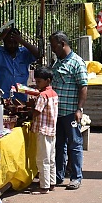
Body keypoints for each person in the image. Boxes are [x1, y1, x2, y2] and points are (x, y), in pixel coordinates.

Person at [49, 31, 88, 190]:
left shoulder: (77, 62)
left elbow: (83, 87)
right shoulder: (58, 62)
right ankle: (58, 175)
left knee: (74, 144)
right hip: (56, 113)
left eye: (53, 46)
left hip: (71, 112)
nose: (52, 49)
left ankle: (76, 177)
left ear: (62, 44)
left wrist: (79, 109)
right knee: (59, 145)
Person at [0, 26, 42, 101]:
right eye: (9, 42)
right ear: (4, 41)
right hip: (3, 97)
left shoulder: (24, 53)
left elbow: (38, 54)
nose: (12, 45)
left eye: (15, 43)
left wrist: (22, 41)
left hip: (21, 96)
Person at [31, 66, 59, 194]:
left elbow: (37, 111)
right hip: (52, 130)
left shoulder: (43, 95)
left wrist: (32, 120)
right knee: (51, 158)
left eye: (39, 82)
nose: (37, 84)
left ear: (47, 80)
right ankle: (51, 183)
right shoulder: (53, 93)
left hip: (43, 130)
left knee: (42, 159)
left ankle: (44, 186)